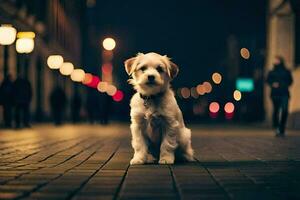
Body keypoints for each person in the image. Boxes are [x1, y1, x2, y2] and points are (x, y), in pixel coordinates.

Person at [267, 56, 293, 136]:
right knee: (276, 111)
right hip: (275, 94)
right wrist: (272, 84)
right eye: (275, 60)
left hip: (284, 93)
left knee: (285, 110)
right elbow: (268, 80)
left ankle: (282, 128)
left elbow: (290, 81)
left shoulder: (286, 71)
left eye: (277, 60)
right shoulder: (272, 72)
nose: (276, 61)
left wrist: (284, 85)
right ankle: (277, 127)